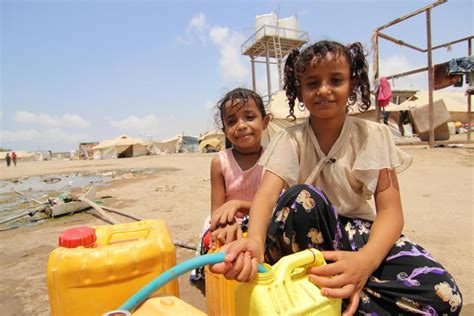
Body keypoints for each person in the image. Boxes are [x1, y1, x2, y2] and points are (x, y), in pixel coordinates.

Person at [211, 41, 462, 315]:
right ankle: (332, 293)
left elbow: (391, 212)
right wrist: (256, 242)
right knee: (303, 197)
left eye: (336, 80)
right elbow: (266, 196)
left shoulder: (374, 135)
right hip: (303, 238)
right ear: (299, 89)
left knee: (444, 296)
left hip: (358, 236)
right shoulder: (290, 138)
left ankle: (339, 295)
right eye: (312, 83)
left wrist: (364, 262)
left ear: (352, 84)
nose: (323, 90)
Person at [189, 87, 270, 283]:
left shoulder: (273, 159)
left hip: (261, 221)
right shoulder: (220, 162)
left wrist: (240, 204)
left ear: (265, 122)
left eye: (249, 117)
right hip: (227, 222)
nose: (241, 125)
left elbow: (274, 208)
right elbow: (216, 211)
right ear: (225, 130)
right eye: (232, 121)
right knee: (220, 244)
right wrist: (227, 225)